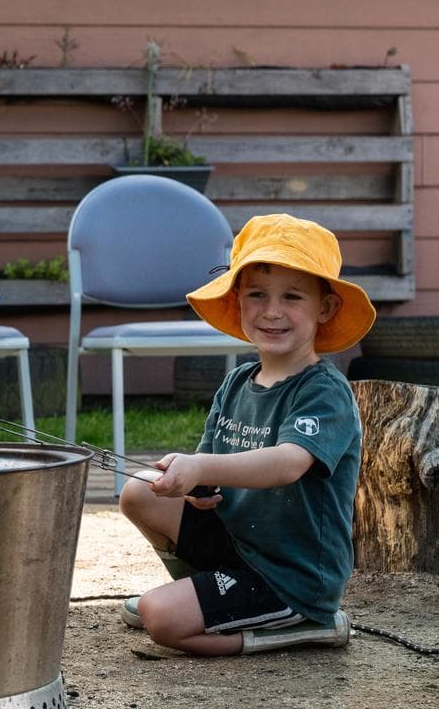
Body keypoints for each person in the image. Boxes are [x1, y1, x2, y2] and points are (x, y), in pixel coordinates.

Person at [117, 213, 376, 656]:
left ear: (325, 308)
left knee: (160, 619)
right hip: (239, 546)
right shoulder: (236, 382)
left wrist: (203, 465)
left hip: (290, 574)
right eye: (257, 294)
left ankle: (303, 626)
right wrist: (196, 483)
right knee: (137, 493)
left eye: (292, 297)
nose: (272, 311)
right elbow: (209, 470)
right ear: (238, 301)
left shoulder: (324, 391)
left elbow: (288, 462)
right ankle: (211, 597)